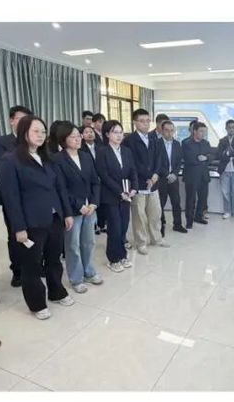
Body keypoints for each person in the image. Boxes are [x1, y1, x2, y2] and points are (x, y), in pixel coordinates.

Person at [0, 115, 75, 318]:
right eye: (36, 131)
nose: (41, 135)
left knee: (54, 259)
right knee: (31, 266)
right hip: (31, 222)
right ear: (24, 132)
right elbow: (11, 198)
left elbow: (60, 188)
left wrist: (67, 213)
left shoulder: (48, 157)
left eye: (43, 131)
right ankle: (37, 304)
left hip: (54, 218)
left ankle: (57, 292)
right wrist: (19, 228)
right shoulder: (11, 160)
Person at [49, 121, 102, 294]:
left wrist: (93, 203)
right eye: (73, 136)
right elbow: (61, 189)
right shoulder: (57, 159)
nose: (78, 139)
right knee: (72, 245)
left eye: (78, 136)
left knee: (89, 242)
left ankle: (89, 271)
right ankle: (76, 278)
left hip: (90, 208)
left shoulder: (85, 156)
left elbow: (95, 181)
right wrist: (79, 206)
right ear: (63, 139)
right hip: (72, 210)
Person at [0, 105, 32, 286]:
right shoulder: (0, 142)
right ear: (11, 121)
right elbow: (3, 165)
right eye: (20, 119)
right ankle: (17, 271)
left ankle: (33, 266)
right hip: (11, 196)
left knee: (33, 232)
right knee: (15, 234)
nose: (25, 123)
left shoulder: (35, 141)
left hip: (32, 196)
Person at [122, 109, 167, 255]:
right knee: (139, 216)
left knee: (155, 213)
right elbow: (132, 163)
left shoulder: (155, 138)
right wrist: (147, 176)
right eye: (142, 121)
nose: (146, 124)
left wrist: (155, 175)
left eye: (148, 121)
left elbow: (159, 159)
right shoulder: (129, 141)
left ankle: (156, 238)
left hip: (153, 183)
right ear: (135, 122)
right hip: (138, 184)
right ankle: (141, 242)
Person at [95, 120, 137, 272]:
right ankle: (113, 259)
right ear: (107, 134)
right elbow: (104, 175)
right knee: (115, 228)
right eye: (115, 132)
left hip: (127, 195)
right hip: (111, 196)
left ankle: (122, 255)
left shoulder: (127, 151)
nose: (119, 135)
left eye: (121, 132)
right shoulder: (102, 152)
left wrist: (134, 188)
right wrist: (120, 192)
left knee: (124, 226)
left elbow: (133, 171)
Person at [155, 120, 185, 236]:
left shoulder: (177, 144)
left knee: (176, 202)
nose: (169, 133)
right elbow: (157, 163)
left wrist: (175, 174)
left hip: (174, 179)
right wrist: (167, 174)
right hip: (161, 179)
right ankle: (161, 225)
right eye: (167, 130)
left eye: (172, 130)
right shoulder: (156, 144)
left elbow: (179, 162)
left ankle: (177, 224)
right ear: (162, 131)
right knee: (160, 204)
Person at [181, 122, 212, 227]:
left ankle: (198, 217)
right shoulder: (186, 143)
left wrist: (206, 158)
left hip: (204, 175)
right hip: (192, 176)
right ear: (194, 131)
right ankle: (189, 221)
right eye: (201, 131)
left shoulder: (206, 143)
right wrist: (201, 158)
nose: (203, 133)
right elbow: (189, 158)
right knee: (190, 199)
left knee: (203, 198)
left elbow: (212, 156)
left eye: (204, 131)